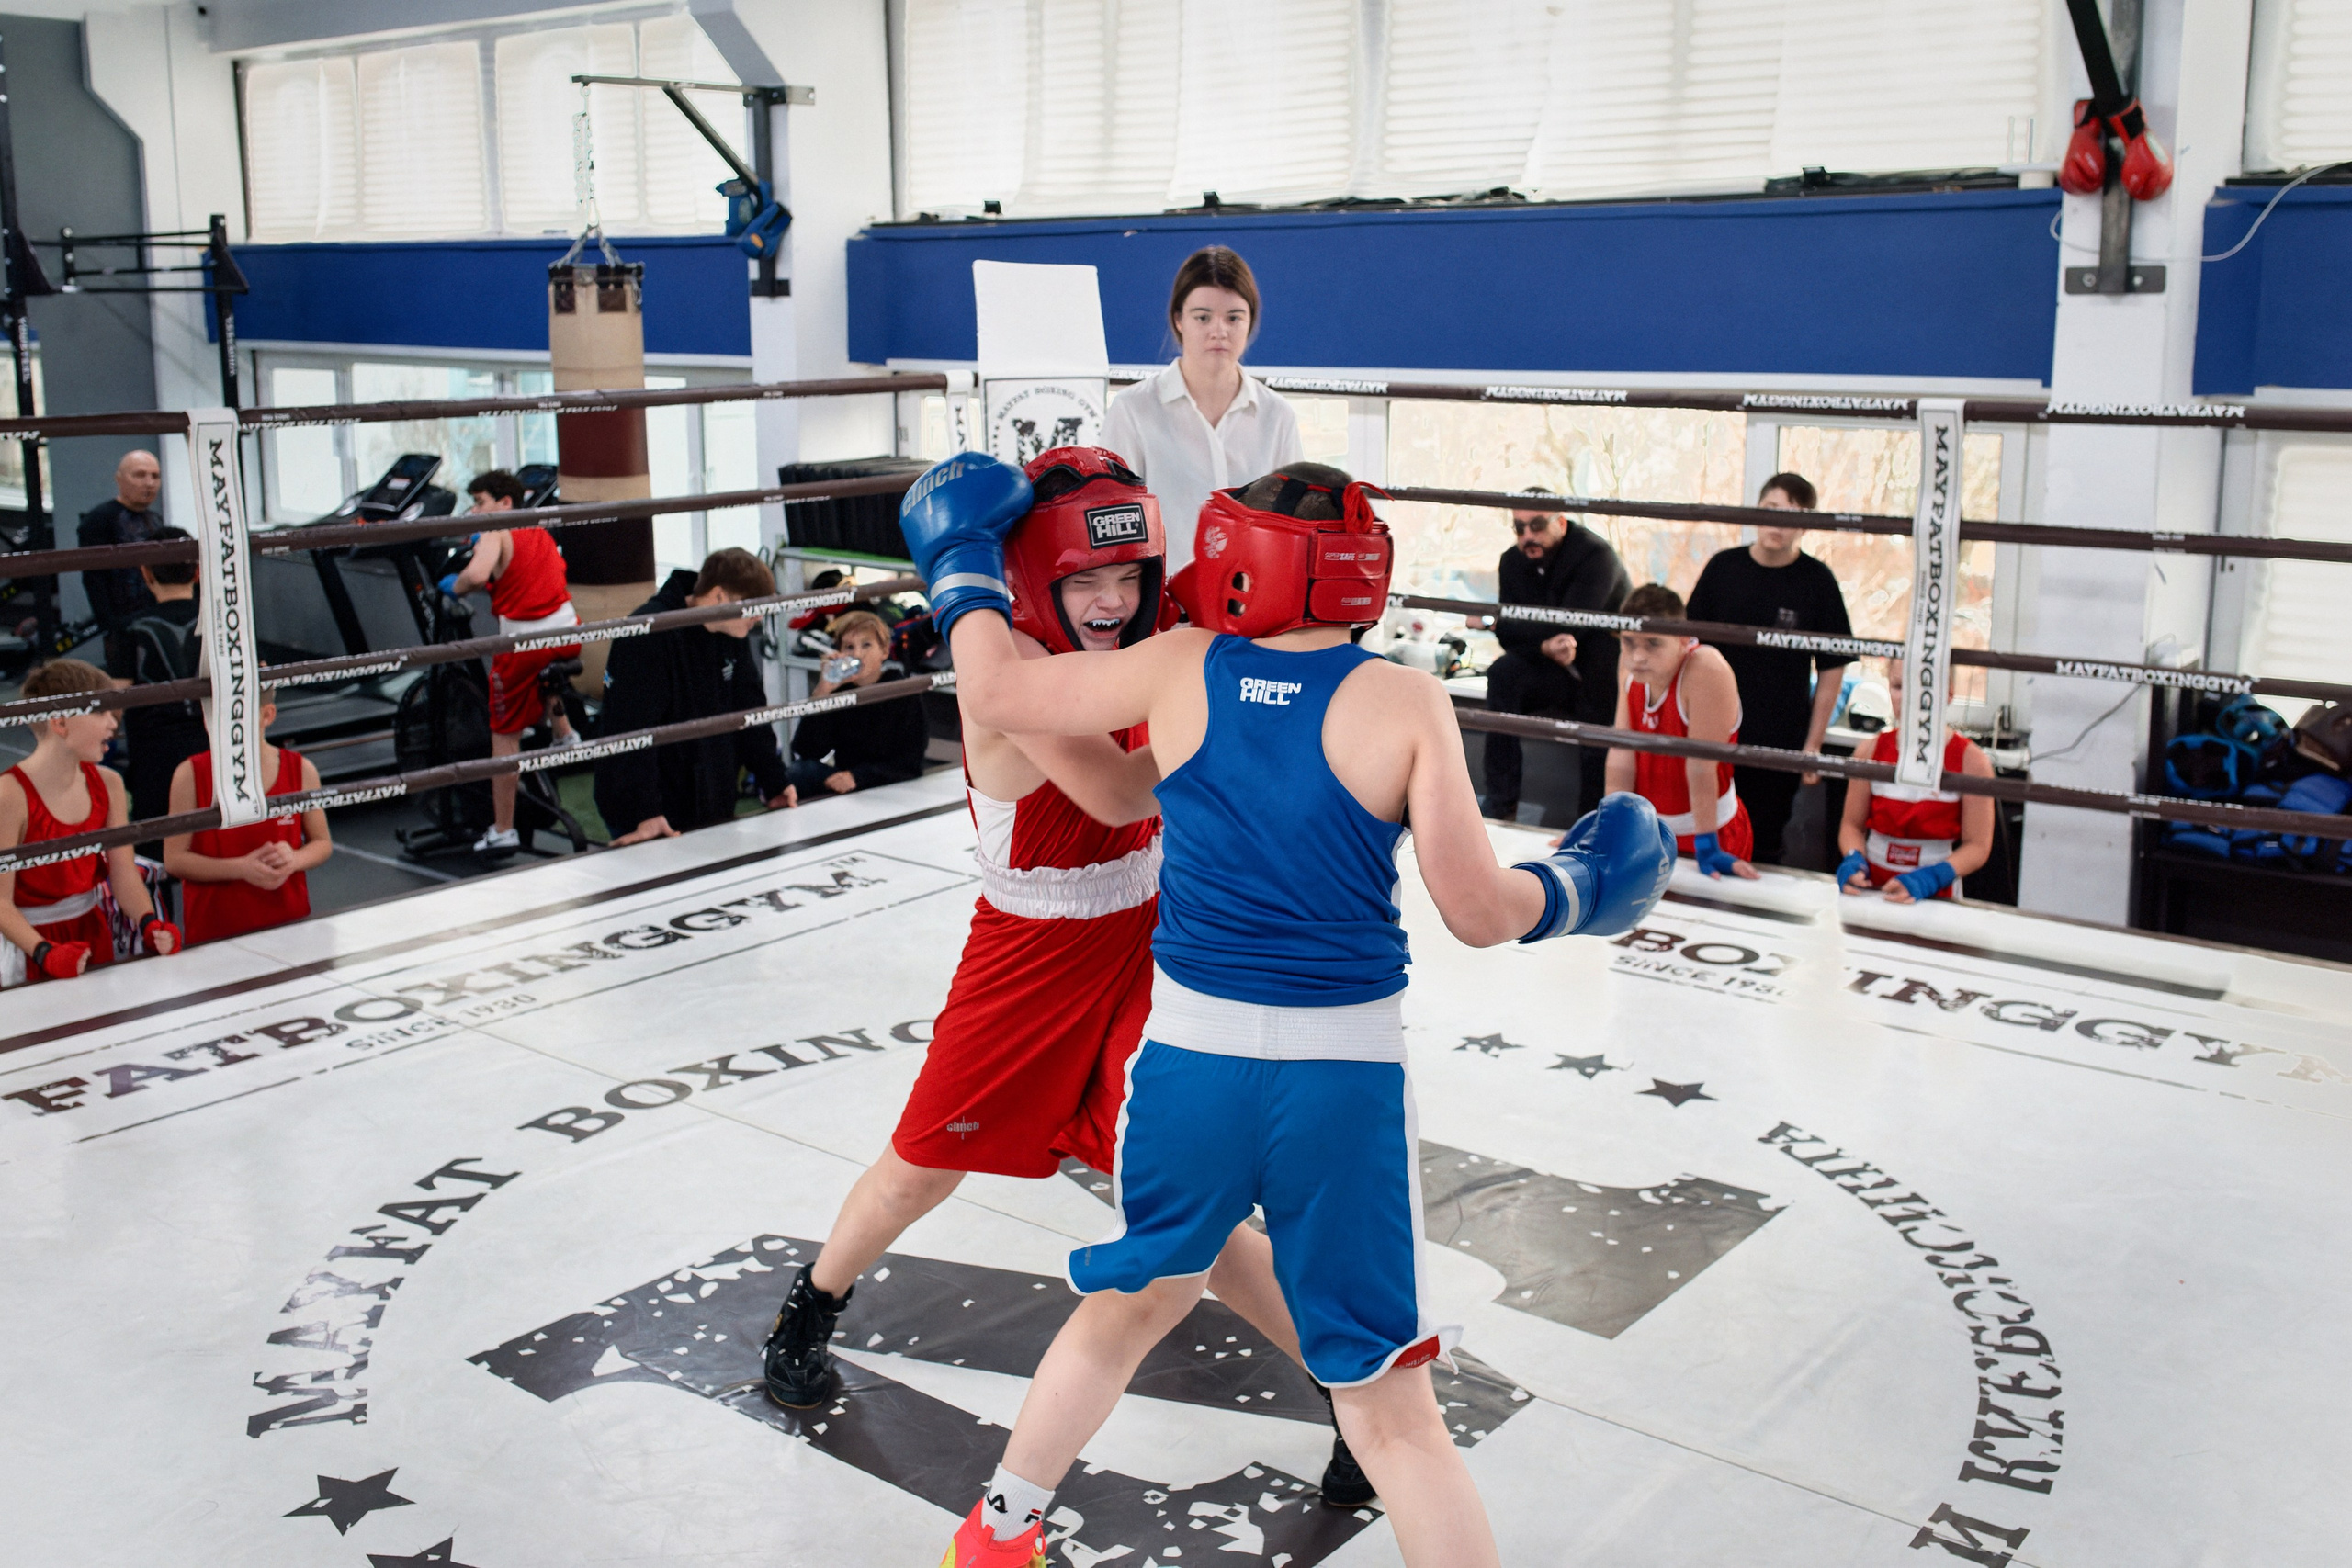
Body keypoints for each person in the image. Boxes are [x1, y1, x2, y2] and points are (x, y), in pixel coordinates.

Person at [901, 453, 1677, 1568]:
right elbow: (1475, 911)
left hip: (1188, 1067)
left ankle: (996, 1539)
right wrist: (1578, 889)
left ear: (1242, 561)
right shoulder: (1404, 700)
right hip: (1341, 1081)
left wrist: (964, 561)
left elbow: (993, 695)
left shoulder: (1182, 665)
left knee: (1127, 1308)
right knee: (1392, 1412)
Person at [763, 446, 1373, 1508]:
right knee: (920, 1168)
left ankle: (1353, 1396)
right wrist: (1226, 703)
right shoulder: (1007, 672)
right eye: (1084, 578)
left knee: (1193, 1200)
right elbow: (1121, 795)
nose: (1110, 600)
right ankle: (811, 1304)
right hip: (1027, 954)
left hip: (1150, 949)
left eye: (1128, 575)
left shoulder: (1155, 641)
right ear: (1031, 579)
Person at [1100, 245, 1303, 576]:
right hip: (1163, 599)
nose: (1219, 331)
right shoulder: (1133, 410)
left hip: (1253, 596)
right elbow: (1113, 524)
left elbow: (1291, 525)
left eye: (1234, 318)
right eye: (1203, 317)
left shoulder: (1277, 416)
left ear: (1250, 322)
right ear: (1178, 320)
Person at [1683, 472, 1854, 865]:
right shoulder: (1723, 568)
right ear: (1756, 511)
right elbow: (1688, 647)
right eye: (1771, 509)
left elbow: (1833, 668)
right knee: (1701, 830)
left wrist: (1813, 744)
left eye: (1793, 515)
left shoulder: (1817, 581)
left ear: (1806, 525)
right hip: (1714, 729)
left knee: (1763, 842)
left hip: (1779, 735)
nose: (1778, 523)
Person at [593, 547, 795, 846]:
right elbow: (629, 729)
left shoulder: (731, 630)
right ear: (718, 596)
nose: (759, 617)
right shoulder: (648, 632)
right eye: (751, 607)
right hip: (650, 802)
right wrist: (644, 812)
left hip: (708, 795)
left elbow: (750, 710)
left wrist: (774, 780)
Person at [1, 659, 181, 987]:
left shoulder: (109, 783)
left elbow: (123, 873)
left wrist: (149, 923)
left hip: (91, 930)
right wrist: (44, 952)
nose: (113, 723)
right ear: (60, 722)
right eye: (101, 713)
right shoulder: (9, 794)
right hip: (26, 942)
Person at [439, 469, 583, 855]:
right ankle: (564, 732)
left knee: (504, 735)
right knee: (544, 674)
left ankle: (503, 829)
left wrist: (455, 586)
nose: (475, 511)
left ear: (504, 503)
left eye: (480, 503)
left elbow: (477, 575)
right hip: (569, 635)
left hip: (526, 645)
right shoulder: (538, 528)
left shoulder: (495, 529)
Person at [1479, 487, 1632, 821]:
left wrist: (1531, 633)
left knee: (1601, 682)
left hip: (1598, 664)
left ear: (1560, 522)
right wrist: (1542, 645)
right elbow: (1507, 630)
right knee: (1503, 673)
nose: (1528, 536)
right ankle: (1500, 804)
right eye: (1519, 528)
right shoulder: (1512, 561)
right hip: (1548, 664)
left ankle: (1592, 818)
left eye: (1537, 525)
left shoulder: (1595, 555)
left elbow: (1576, 622)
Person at [1608, 583, 1760, 882]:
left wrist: (1707, 843)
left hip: (1709, 832)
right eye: (1628, 642)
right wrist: (1611, 827)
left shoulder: (1705, 669)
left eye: (1653, 643)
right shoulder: (1629, 667)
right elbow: (1621, 751)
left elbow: (1701, 765)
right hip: (1647, 835)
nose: (1637, 656)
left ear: (1682, 639)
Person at [163, 689, 332, 944]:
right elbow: (174, 859)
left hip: (288, 923)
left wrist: (293, 859)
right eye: (215, 715)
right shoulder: (190, 775)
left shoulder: (301, 769)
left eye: (235, 715)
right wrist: (241, 868)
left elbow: (322, 842)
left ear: (267, 715)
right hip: (215, 931)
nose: (224, 725)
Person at [1837, 666, 1996, 902]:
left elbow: (1978, 846)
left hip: (1936, 892)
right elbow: (1851, 825)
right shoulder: (1869, 751)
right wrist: (1853, 858)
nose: (1909, 697)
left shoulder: (1972, 762)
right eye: (1899, 686)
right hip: (1872, 887)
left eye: (1923, 687)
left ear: (1949, 693)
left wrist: (1932, 878)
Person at [105, 526, 209, 851]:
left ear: (145, 572)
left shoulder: (128, 628)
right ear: (198, 571)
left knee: (157, 846)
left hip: (154, 755)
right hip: (214, 745)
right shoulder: (224, 620)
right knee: (213, 838)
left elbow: (116, 701)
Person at [784, 609, 930, 800]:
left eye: (866, 645)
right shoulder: (839, 691)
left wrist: (857, 777)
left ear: (884, 651)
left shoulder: (903, 691)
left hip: (888, 780)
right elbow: (807, 751)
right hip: (844, 780)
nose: (858, 654)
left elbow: (911, 762)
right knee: (796, 772)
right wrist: (822, 692)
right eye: (849, 647)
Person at [77, 449, 165, 670]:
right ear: (119, 479)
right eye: (140, 475)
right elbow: (94, 578)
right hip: (122, 624)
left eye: (155, 476)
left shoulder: (155, 520)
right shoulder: (99, 520)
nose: (149, 483)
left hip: (157, 620)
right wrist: (110, 626)